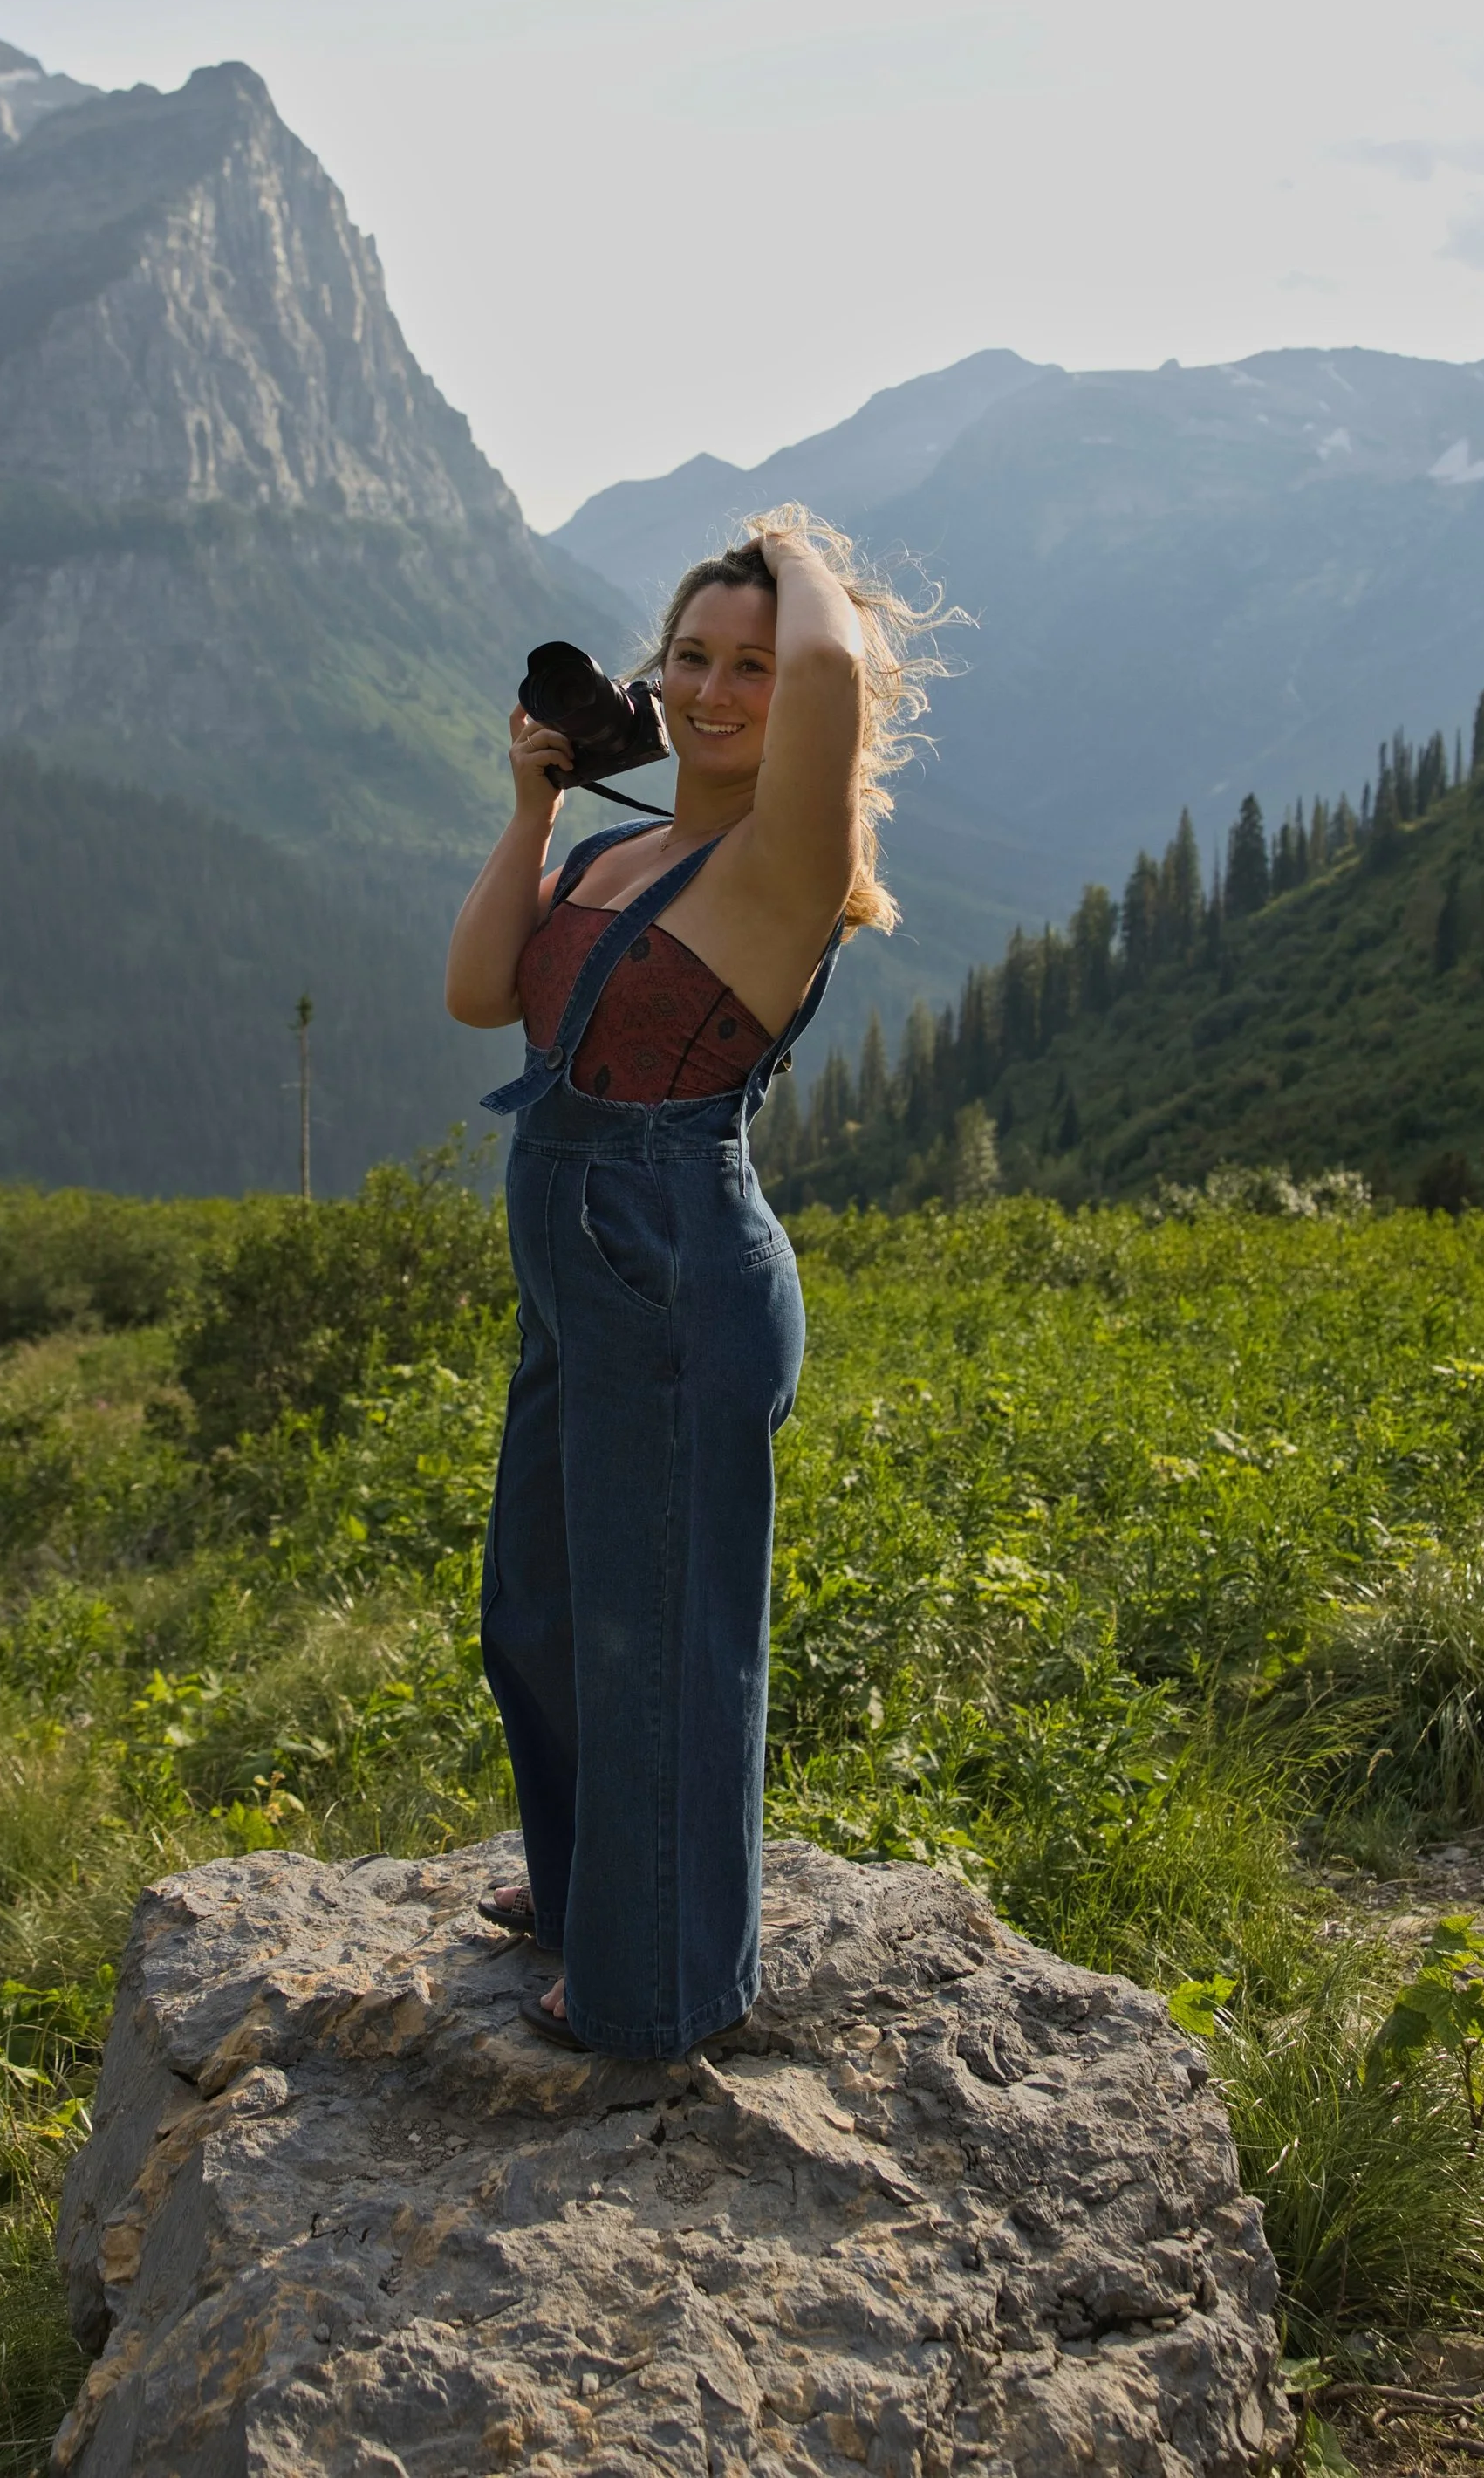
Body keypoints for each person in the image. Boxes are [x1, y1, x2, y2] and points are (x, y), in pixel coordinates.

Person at [443, 506, 934, 2057]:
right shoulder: (613, 839)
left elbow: (835, 665)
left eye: (752, 666)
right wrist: (529, 806)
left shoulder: (794, 854)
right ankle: (594, 1878)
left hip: (670, 1253)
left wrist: (791, 547)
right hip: (579, 1251)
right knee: (540, 1603)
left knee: (661, 1623)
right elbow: (475, 994)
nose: (721, 691)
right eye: (691, 659)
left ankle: (654, 1975)